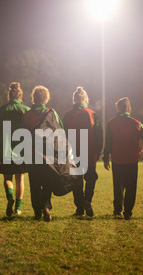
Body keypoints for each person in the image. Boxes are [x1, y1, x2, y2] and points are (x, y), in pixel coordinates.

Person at [23, 85, 64, 222]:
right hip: (48, 154)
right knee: (47, 182)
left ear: (34, 98)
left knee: (34, 184)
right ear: (46, 98)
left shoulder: (27, 114)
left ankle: (37, 212)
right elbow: (60, 131)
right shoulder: (51, 112)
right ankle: (46, 206)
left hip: (32, 154)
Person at [103, 97, 143, 220]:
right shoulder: (136, 123)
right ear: (128, 108)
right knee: (131, 187)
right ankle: (128, 211)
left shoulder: (111, 122)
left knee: (118, 186)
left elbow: (108, 142)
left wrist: (106, 158)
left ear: (118, 108)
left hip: (117, 158)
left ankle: (118, 210)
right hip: (132, 159)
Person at [0, 82, 30, 217]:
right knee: (20, 179)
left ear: (9, 96)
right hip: (23, 151)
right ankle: (18, 208)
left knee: (8, 178)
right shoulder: (26, 110)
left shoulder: (1, 111)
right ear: (20, 96)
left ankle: (10, 198)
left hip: (6, 149)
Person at [63, 86, 103, 218]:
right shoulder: (92, 114)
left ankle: (80, 208)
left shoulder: (68, 115)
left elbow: (62, 135)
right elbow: (99, 134)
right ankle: (87, 201)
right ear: (85, 99)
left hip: (73, 152)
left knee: (77, 180)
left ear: (74, 100)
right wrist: (99, 150)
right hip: (90, 151)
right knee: (91, 178)